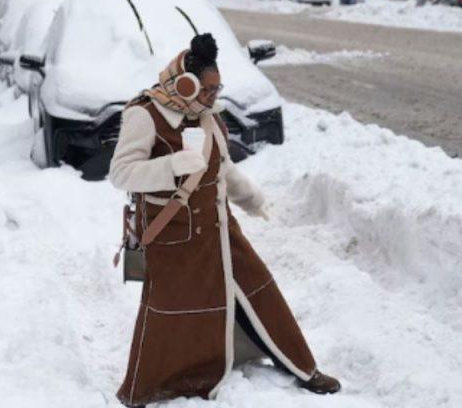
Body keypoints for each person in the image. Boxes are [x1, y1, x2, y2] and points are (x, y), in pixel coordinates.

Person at [109, 33, 340, 406]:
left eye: (218, 88)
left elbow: (222, 168)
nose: (215, 96)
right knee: (174, 313)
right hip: (174, 237)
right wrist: (170, 167)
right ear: (185, 84)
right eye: (208, 89)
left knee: (260, 291)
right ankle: (159, 384)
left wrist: (252, 199)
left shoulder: (208, 117)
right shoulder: (145, 114)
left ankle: (301, 367)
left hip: (220, 229)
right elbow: (121, 173)